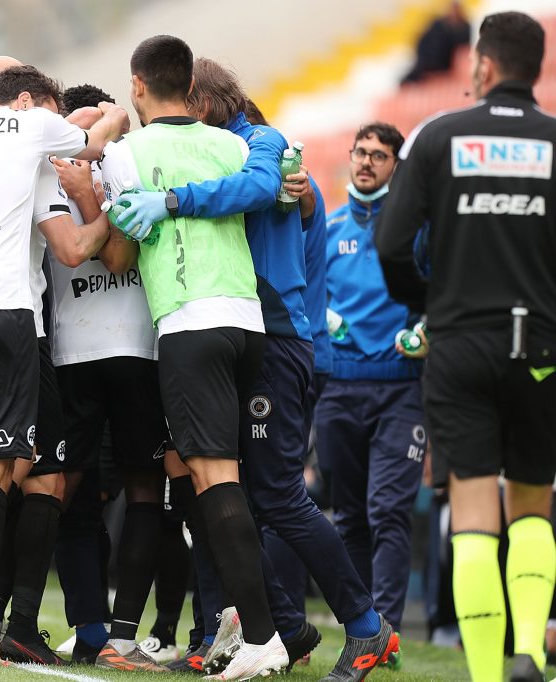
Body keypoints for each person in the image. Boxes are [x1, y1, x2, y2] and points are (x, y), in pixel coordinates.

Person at [113, 56, 398, 682]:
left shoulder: (266, 149)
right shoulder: (223, 149)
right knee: (215, 487)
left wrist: (170, 199)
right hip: (252, 334)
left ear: (206, 102)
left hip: (278, 337)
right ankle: (268, 625)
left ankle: (365, 626)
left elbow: (251, 189)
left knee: (274, 494)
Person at [0, 63, 127, 665]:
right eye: (50, 110)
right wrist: (119, 199)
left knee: (6, 470)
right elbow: (76, 240)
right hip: (6, 320)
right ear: (30, 103)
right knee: (1, 473)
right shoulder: (27, 135)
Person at [97, 35, 290, 680]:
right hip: (246, 322)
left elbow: (119, 257)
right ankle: (251, 626)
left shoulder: (127, 154)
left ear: (137, 85)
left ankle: (263, 637)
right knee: (219, 479)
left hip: (189, 324)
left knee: (213, 479)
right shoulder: (230, 143)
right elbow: (263, 174)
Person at [377, 12, 556, 682]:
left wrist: (429, 303)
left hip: (458, 342)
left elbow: (393, 245)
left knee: (475, 510)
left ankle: (485, 675)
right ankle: (531, 656)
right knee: (534, 503)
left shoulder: (439, 136)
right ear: (534, 67)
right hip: (540, 346)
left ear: (481, 65)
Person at [48, 83, 175, 672]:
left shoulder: (123, 171)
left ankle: (120, 631)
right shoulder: (58, 172)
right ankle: (98, 628)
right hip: (89, 353)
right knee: (75, 489)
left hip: (120, 349)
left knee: (116, 488)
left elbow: (119, 254)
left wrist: (92, 183)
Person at [318, 122, 425, 652]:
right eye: (360, 152)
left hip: (403, 389)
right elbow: (308, 293)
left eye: (379, 155)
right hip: (339, 388)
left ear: (395, 167)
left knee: (388, 510)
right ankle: (363, 633)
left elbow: (439, 292)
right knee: (351, 516)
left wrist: (426, 329)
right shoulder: (330, 226)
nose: (366, 162)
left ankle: (390, 636)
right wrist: (327, 316)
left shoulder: (415, 230)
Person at [401, 1, 471, 85]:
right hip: (427, 64)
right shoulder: (438, 26)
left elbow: (462, 49)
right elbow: (423, 43)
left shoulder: (464, 28)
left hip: (445, 66)